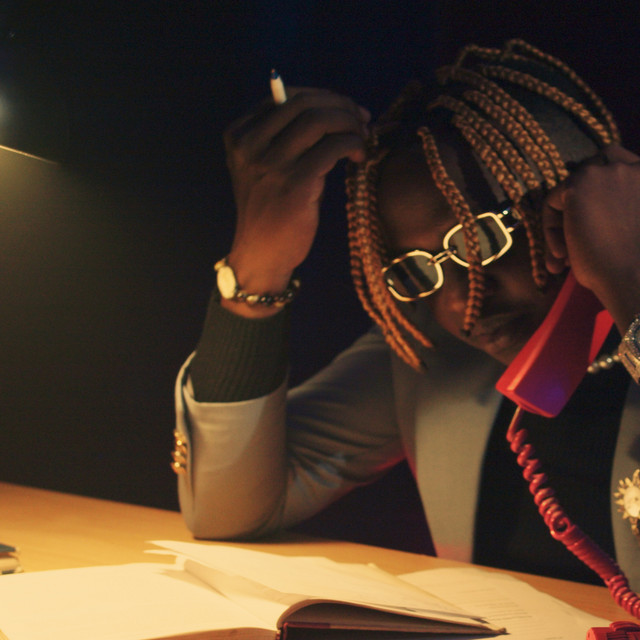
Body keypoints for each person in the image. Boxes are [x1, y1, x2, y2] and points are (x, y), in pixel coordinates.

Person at [172, 40, 640, 594]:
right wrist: (257, 264)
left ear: (579, 200)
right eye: (417, 270)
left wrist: (628, 281)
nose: (463, 302)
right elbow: (228, 510)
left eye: (480, 239)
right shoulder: (436, 354)